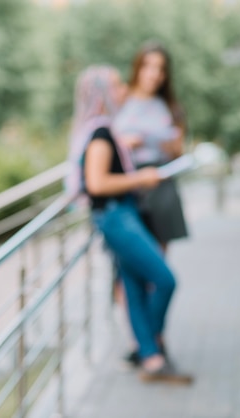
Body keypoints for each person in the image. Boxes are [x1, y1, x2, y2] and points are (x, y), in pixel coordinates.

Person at [75, 65, 192, 384]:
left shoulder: (105, 129)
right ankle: (150, 345)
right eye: (116, 85)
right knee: (165, 279)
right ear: (101, 94)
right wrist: (141, 177)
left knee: (134, 286)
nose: (124, 90)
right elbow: (96, 184)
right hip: (115, 216)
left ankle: (151, 358)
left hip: (123, 213)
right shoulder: (100, 132)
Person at [112, 41, 188, 251]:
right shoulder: (120, 99)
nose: (154, 74)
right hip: (127, 183)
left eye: (160, 69)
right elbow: (102, 137)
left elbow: (179, 152)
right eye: (148, 66)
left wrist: (173, 147)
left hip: (161, 183)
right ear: (138, 67)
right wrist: (123, 143)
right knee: (128, 262)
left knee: (158, 261)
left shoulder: (169, 107)